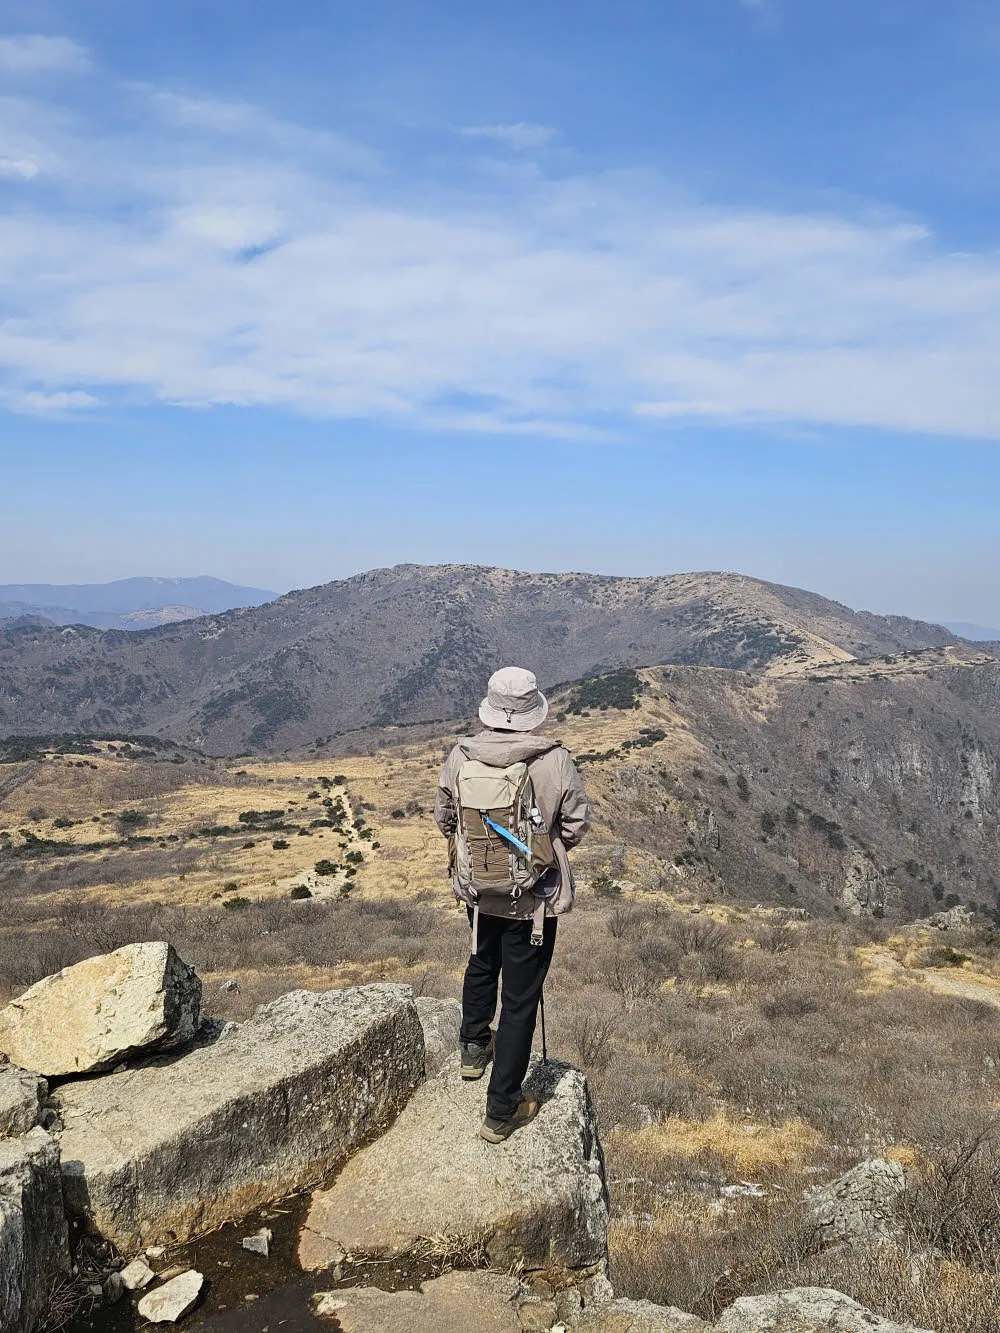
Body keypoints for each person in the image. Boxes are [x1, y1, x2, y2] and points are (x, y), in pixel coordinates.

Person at [434, 666, 590, 1142]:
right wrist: (540, 852)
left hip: (480, 894)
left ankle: (473, 1049)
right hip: (533, 900)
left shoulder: (460, 755)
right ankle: (502, 1109)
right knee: (520, 1000)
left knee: (481, 963)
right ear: (531, 710)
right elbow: (576, 823)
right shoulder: (554, 759)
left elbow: (445, 819)